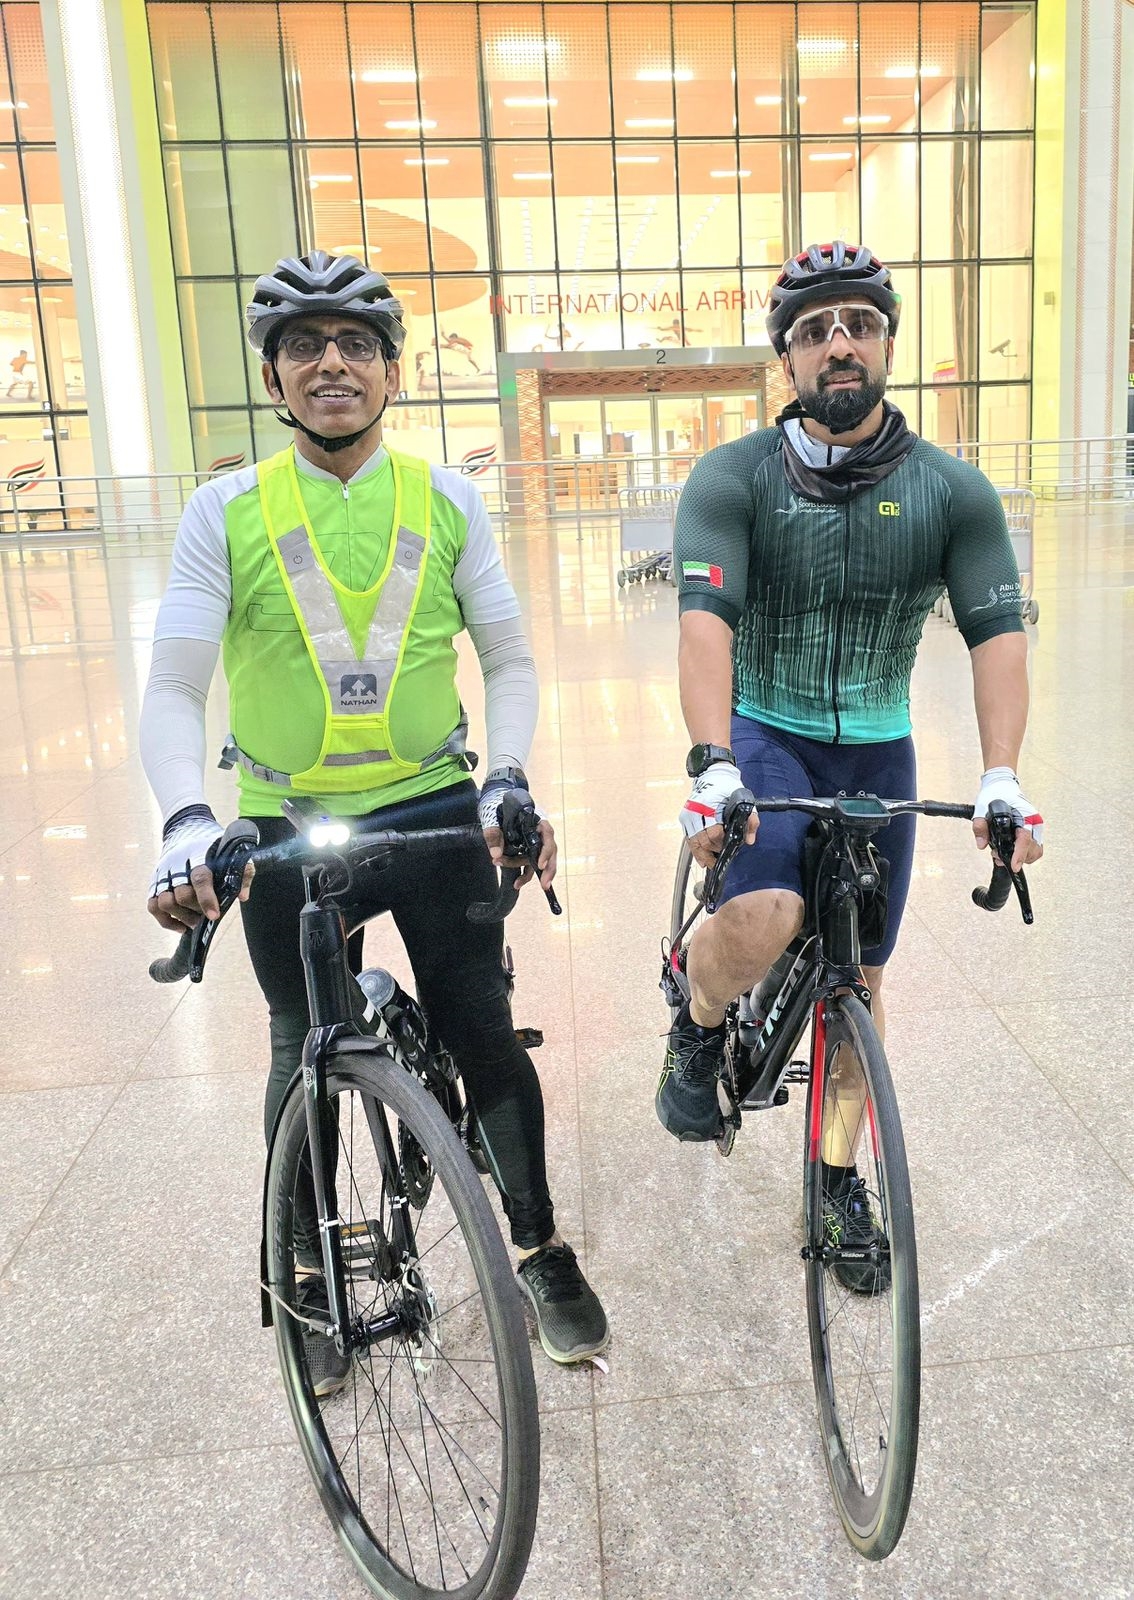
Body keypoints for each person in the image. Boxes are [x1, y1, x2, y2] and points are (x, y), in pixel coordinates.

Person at [142, 251, 608, 1386]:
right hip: (283, 826)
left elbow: (507, 656)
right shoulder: (226, 510)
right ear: (273, 377)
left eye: (357, 344)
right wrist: (186, 820)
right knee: (301, 1049)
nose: (332, 363)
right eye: (305, 345)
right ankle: (300, 1273)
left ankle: (539, 1246)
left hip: (435, 808)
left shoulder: (447, 498)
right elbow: (172, 684)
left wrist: (505, 775)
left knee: (483, 1029)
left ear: (395, 375)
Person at [656, 242, 1043, 1185]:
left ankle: (836, 1183)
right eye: (815, 329)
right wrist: (713, 762)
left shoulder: (952, 492)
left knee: (863, 984)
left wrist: (1002, 775)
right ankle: (696, 1019)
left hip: (879, 747)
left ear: (887, 347)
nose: (840, 344)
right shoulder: (733, 476)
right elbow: (705, 624)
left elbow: (997, 636)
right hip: (766, 729)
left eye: (860, 325)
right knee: (765, 912)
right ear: (784, 358)